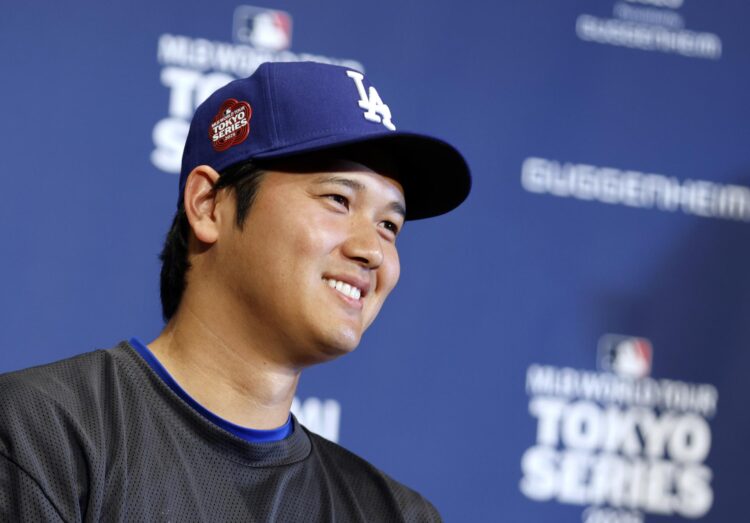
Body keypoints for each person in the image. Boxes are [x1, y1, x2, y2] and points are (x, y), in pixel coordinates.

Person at [0, 61, 470, 521]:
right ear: (208, 205)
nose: (372, 251)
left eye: (390, 225)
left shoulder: (397, 514)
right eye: (338, 199)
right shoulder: (42, 432)